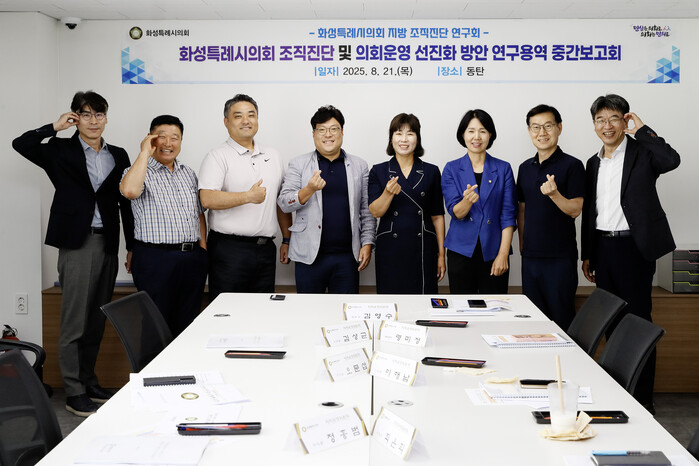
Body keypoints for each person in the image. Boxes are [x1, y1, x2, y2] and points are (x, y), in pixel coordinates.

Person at [12, 91, 134, 417]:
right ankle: (73, 391)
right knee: (74, 322)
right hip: (77, 244)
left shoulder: (119, 154)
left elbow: (125, 202)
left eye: (99, 114)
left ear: (106, 118)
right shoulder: (60, 149)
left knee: (95, 320)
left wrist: (130, 246)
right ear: (75, 117)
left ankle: (89, 382)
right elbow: (20, 143)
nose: (93, 121)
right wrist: (54, 127)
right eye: (86, 114)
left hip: (108, 243)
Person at [581, 94, 680, 411]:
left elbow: (671, 160)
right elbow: (592, 211)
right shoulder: (593, 163)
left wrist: (643, 131)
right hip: (603, 248)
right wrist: (588, 254)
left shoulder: (642, 153)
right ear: (594, 124)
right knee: (610, 324)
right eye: (600, 120)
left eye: (614, 118)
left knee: (637, 325)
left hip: (634, 250)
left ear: (625, 121)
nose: (607, 125)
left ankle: (642, 401)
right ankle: (619, 394)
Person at [120, 115, 208, 337]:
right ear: (150, 138)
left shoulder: (188, 173)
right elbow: (129, 191)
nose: (169, 143)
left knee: (189, 324)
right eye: (162, 137)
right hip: (155, 259)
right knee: (155, 325)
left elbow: (199, 214)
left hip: (191, 258)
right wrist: (144, 153)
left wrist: (203, 250)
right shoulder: (137, 171)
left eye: (175, 137)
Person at [199, 94, 291, 299]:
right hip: (228, 250)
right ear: (226, 122)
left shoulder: (273, 155)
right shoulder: (217, 156)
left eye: (251, 115)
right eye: (238, 116)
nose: (246, 121)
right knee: (226, 309)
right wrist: (247, 196)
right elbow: (207, 199)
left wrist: (286, 238)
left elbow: (280, 201)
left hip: (265, 249)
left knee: (262, 309)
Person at [277, 105, 376, 293]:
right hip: (308, 256)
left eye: (333, 129)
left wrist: (367, 243)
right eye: (321, 130)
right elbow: (284, 203)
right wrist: (308, 189)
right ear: (314, 134)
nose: (328, 135)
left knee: (345, 310)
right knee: (308, 309)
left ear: (342, 132)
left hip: (348, 257)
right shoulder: (298, 164)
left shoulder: (359, 165)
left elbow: (367, 210)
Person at [516, 104, 585, 329]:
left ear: (559, 128)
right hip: (531, 258)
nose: (542, 132)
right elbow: (522, 209)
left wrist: (555, 195)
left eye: (548, 126)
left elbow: (575, 209)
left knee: (561, 319)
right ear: (529, 131)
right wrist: (523, 245)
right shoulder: (524, 168)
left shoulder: (573, 165)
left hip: (560, 258)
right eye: (536, 127)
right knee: (534, 322)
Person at [368, 113, 445, 294]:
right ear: (391, 139)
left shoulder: (431, 171)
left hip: (423, 248)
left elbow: (437, 216)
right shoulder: (378, 171)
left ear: (417, 139)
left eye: (410, 133)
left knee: (423, 301)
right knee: (390, 301)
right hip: (390, 249)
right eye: (398, 133)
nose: (404, 139)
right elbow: (375, 212)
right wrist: (388, 193)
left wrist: (442, 255)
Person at [441, 109, 517, 294]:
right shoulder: (451, 168)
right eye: (471, 131)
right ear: (463, 135)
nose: (477, 137)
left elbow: (508, 215)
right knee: (461, 306)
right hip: (460, 251)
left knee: (495, 306)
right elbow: (456, 212)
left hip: (493, 251)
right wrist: (467, 202)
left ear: (490, 135)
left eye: (482, 131)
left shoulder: (503, 168)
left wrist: (503, 254)